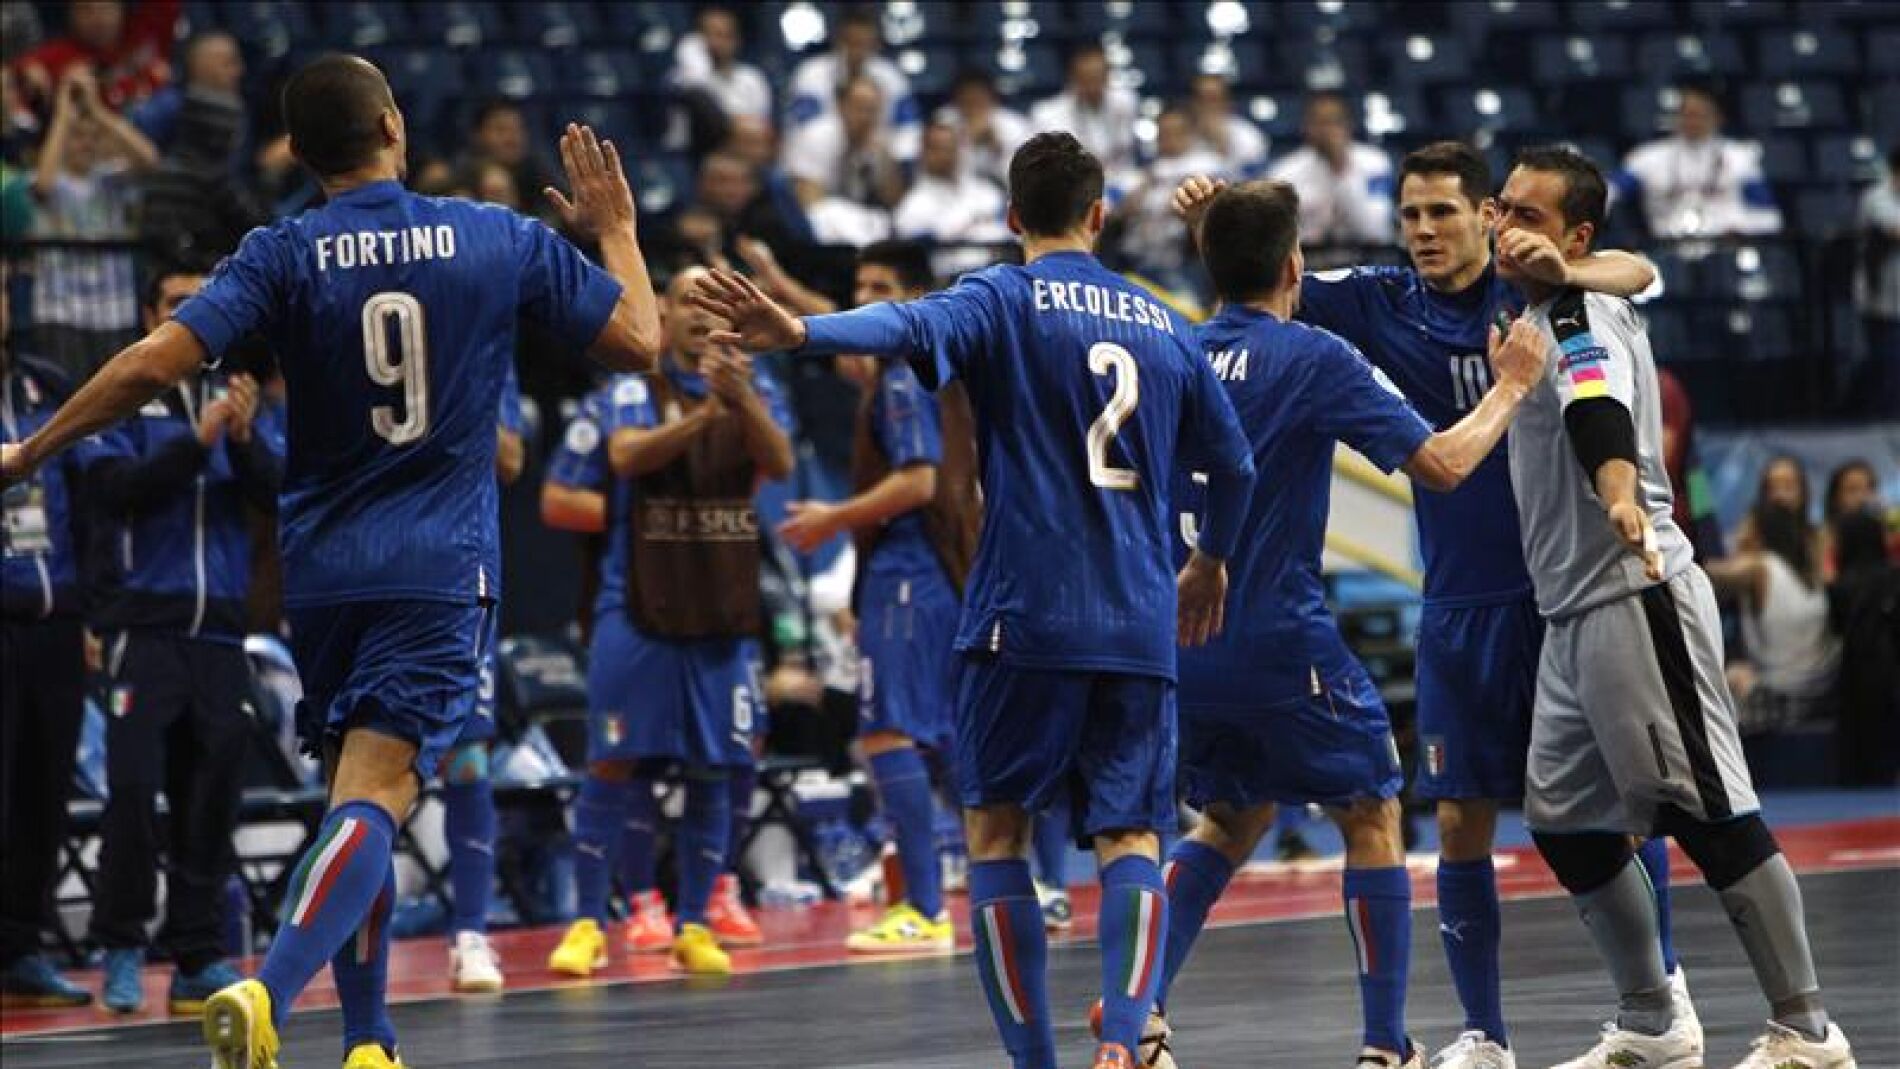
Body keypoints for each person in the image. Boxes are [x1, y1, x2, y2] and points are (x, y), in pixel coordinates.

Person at [0, 53, 663, 1069]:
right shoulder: (496, 236)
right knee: (380, 795)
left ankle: (369, 1041)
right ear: (395, 123)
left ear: (303, 157)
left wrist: (29, 452)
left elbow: (147, 366)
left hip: (323, 576)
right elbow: (641, 343)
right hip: (437, 567)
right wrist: (614, 227)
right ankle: (267, 993)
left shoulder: (281, 251)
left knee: (357, 792)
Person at [692, 130, 1258, 1069]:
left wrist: (800, 333)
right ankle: (1125, 1039)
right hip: (1136, 617)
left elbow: (903, 326)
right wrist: (1211, 562)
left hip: (1022, 614)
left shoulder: (1000, 296)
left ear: (1008, 218)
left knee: (996, 830)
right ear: (1100, 214)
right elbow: (1234, 463)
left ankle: (1033, 1060)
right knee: (1131, 837)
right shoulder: (1163, 320)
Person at [1192, 141, 1680, 1069]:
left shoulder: (1529, 284)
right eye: (1410, 214)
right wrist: (1213, 219)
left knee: (1619, 810)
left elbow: (1639, 271)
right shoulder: (1375, 301)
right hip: (1456, 603)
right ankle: (1482, 1034)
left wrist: (1564, 264)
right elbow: (1262, 280)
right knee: (1458, 817)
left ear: (1488, 216)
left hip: (1557, 592)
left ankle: (1660, 1004)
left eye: (1443, 213)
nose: (1423, 230)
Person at [1150, 176, 1551, 1069]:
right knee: (1371, 807)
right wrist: (1512, 388)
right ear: (1296, 266)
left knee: (1230, 818)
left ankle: (1139, 1011)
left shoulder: (1168, 351)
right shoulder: (1311, 354)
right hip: (1276, 637)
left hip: (1179, 640)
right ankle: (1385, 1045)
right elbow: (1443, 464)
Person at [1495, 144, 1853, 1069]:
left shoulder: (1575, 311)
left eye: (1525, 215)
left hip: (1633, 593)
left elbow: (1596, 410)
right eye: (1501, 208)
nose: (1502, 226)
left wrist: (1617, 490)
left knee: (1710, 811)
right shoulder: (1555, 299)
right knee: (1567, 822)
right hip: (1571, 614)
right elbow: (1641, 268)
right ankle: (1653, 1019)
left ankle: (1807, 1032)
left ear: (1573, 236)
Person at [546, 265, 793, 981]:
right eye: (687, 300)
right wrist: (703, 418)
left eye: (711, 303)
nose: (697, 315)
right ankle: (590, 921)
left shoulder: (756, 386)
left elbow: (776, 464)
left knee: (716, 767)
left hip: (721, 609)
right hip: (638, 610)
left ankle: (693, 923)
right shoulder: (631, 388)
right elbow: (625, 457)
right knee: (612, 762)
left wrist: (739, 400)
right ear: (663, 310)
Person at [81, 267, 283, 1016]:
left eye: (201, 304)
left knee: (213, 789)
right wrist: (198, 447)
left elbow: (278, 492)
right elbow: (112, 491)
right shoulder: (125, 397)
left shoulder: (243, 397)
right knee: (134, 790)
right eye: (175, 304)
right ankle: (123, 945)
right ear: (149, 313)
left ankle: (195, 951)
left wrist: (247, 439)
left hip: (221, 628)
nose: (191, 315)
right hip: (148, 623)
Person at [773, 240, 979, 954]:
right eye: (858, 284)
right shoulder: (927, 362)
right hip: (941, 570)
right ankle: (1023, 884)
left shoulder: (898, 377)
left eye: (879, 286)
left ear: (914, 298)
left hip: (906, 571)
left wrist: (833, 516)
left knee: (888, 731)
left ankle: (923, 906)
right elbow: (844, 339)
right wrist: (784, 290)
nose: (865, 297)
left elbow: (918, 480)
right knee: (955, 740)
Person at [0, 259, 94, 1009]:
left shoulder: (45, 384)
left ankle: (23, 944)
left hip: (56, 620)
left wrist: (88, 609)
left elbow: (88, 497)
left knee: (43, 790)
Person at [440, 363, 526, 995]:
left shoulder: (486, 343)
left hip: (462, 570)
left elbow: (513, 460)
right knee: (356, 762)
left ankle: (469, 932)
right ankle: (347, 931)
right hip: (368, 560)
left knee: (468, 760)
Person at [30, 63, 156, 382]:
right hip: (60, 309)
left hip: (114, 308)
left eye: (92, 137)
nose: (84, 144)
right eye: (76, 137)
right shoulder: (51, 179)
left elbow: (149, 159)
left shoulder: (112, 179)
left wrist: (96, 109)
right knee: (63, 402)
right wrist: (63, 114)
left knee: (116, 404)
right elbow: (43, 186)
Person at [1706, 478, 1842, 735]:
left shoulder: (1758, 567)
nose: (1739, 533)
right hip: (1823, 686)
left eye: (1746, 527)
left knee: (1730, 675)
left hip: (1784, 695)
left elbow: (1708, 574)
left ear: (1758, 533)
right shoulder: (1810, 567)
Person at [1613, 83, 1781, 239]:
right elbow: (1609, 193)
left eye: (1701, 114)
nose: (1693, 121)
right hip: (1665, 247)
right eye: (1687, 114)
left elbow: (1769, 217)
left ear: (1717, 117)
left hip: (1723, 246)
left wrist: (1740, 227)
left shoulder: (1740, 157)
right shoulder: (1648, 157)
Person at [1113, 108, 1226, 296]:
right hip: (1139, 263)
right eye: (1164, 133)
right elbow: (1120, 213)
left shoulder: (1208, 164)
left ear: (1190, 133)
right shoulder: (1144, 172)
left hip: (1186, 263)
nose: (1170, 139)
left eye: (1177, 132)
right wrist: (1147, 184)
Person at [786, 4, 918, 162]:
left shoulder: (892, 77)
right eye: (851, 43)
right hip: (823, 155)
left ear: (876, 45)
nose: (857, 51)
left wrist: (888, 151)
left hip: (876, 154)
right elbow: (806, 127)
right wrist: (854, 138)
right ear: (838, 41)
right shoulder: (811, 73)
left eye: (864, 44)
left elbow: (909, 128)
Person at [1268, 93, 1393, 252]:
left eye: (1334, 122)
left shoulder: (1375, 164)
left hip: (1364, 256)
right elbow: (1280, 238)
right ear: (1306, 127)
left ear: (1349, 125)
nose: (1327, 131)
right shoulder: (1284, 173)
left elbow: (1375, 230)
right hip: (1310, 259)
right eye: (1319, 123)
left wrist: (1340, 168)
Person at [1029, 44, 1139, 184]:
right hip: (1073, 183)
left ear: (1108, 75)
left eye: (1099, 78)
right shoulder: (1046, 114)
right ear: (1073, 78)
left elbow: (1125, 152)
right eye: (1086, 79)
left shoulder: (1125, 101)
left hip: (1119, 177)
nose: (1093, 86)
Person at [893, 121, 1008, 248]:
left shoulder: (985, 191)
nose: (947, 154)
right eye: (938, 148)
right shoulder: (912, 207)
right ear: (923, 153)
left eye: (952, 147)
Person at [1853, 146, 1900, 417]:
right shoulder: (1876, 197)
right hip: (1882, 301)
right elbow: (1894, 229)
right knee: (1888, 369)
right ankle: (1883, 426)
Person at [669, 4, 771, 122]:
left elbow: (761, 126)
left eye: (726, 36)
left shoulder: (752, 78)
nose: (719, 43)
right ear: (699, 38)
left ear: (737, 40)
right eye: (713, 35)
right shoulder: (683, 77)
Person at [939, 70, 1031, 190]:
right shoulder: (943, 121)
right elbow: (941, 171)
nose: (973, 106)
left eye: (978, 99)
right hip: (955, 194)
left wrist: (997, 148)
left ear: (992, 97)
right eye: (967, 100)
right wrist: (966, 141)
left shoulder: (1015, 124)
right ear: (956, 99)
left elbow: (1024, 178)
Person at [1187, 74, 1268, 178]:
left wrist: (1222, 146)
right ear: (1193, 102)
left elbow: (1252, 183)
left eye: (1215, 99)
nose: (1209, 106)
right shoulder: (1177, 132)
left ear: (1228, 101)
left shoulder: (1249, 137)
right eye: (1202, 99)